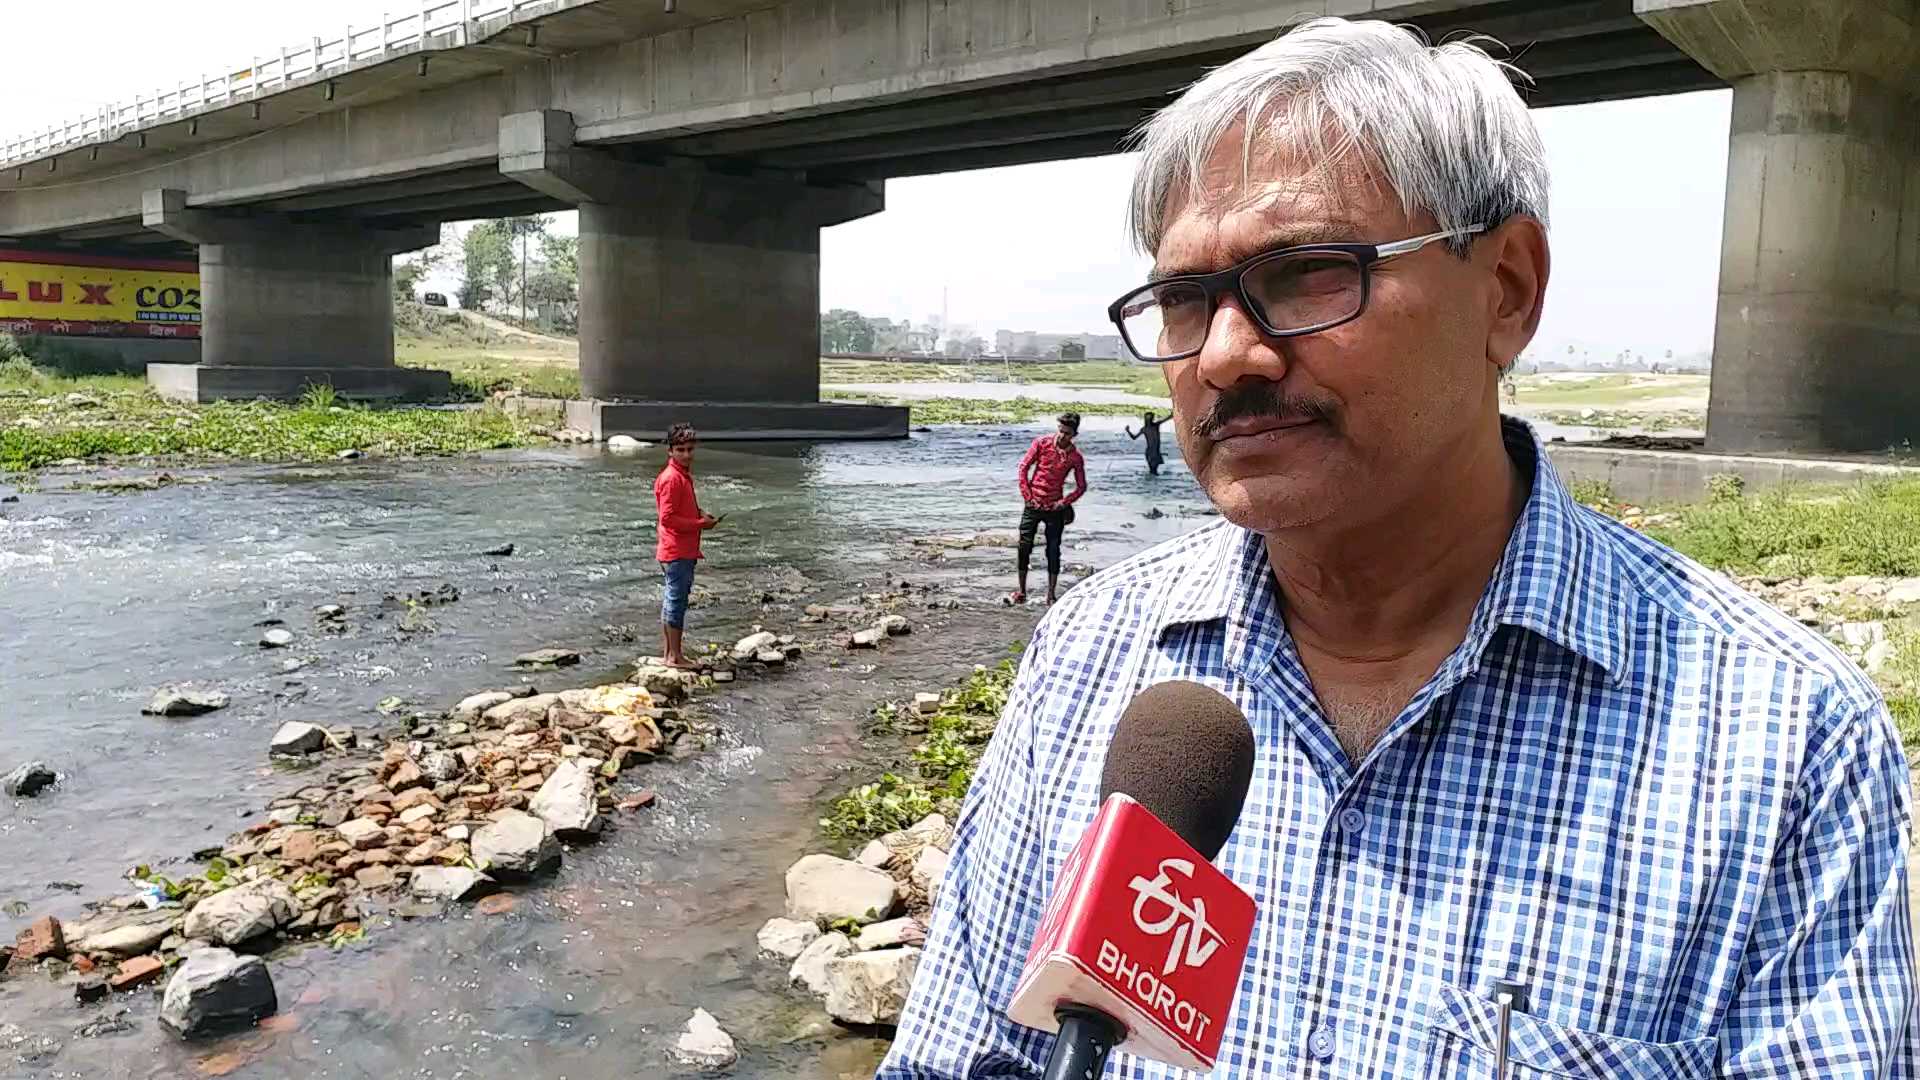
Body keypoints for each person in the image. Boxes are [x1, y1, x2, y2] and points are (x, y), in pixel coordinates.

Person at [886, 18, 1913, 1080]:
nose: (1230, 354)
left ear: (1506, 289)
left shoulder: (1785, 743)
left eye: (1307, 273)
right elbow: (961, 1058)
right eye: (1186, 300)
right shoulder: (1091, 657)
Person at [652, 422, 718, 670]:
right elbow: (667, 518)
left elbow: (678, 511)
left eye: (690, 449)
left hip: (678, 548)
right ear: (670, 450)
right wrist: (701, 524)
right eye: (681, 449)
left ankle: (670, 654)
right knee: (676, 601)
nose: (687, 454)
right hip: (676, 550)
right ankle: (674, 657)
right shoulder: (672, 479)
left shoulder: (680, 476)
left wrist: (700, 513)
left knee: (673, 599)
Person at [1013, 412, 1087, 606]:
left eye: (1068, 433)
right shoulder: (1041, 443)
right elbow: (1023, 467)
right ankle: (1021, 590)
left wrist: (1064, 502)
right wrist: (1027, 496)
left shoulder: (1075, 457)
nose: (1063, 436)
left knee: (1053, 550)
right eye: (1061, 431)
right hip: (1033, 502)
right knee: (1024, 545)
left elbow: (1081, 487)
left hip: (1055, 506)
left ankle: (1051, 595)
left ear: (1074, 434)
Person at [1124, 409, 1167, 474]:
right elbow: (1134, 437)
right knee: (1154, 472)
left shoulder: (1147, 428)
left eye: (1150, 417)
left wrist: (1128, 431)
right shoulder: (1151, 427)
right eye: (1149, 418)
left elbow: (1134, 437)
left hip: (1153, 452)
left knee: (1153, 471)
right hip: (1152, 452)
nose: (1150, 419)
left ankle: (1151, 483)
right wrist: (1128, 431)